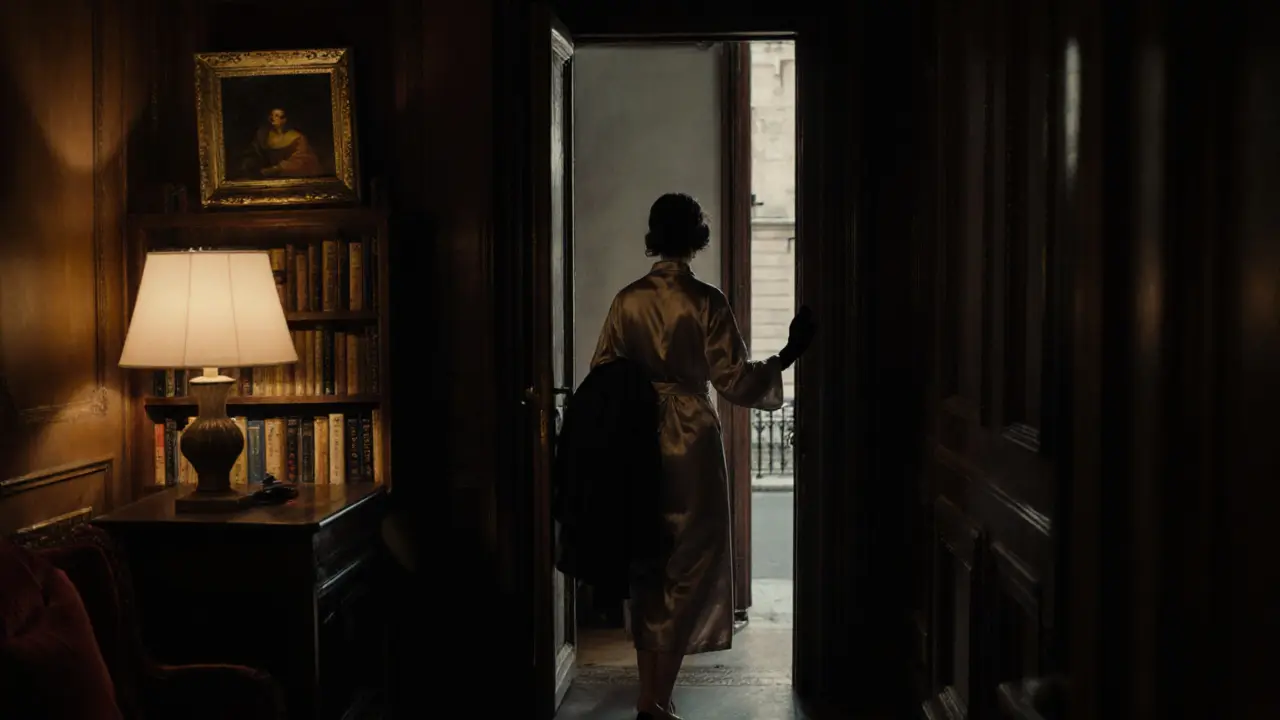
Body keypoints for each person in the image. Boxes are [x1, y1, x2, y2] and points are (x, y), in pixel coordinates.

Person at [590, 193, 817, 720]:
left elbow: (603, 370)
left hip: (636, 438)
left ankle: (650, 697)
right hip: (690, 438)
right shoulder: (706, 301)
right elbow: (735, 381)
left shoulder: (627, 301)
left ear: (653, 234)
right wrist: (787, 355)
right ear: (697, 238)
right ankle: (657, 700)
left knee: (647, 561)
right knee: (691, 564)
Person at [235, 107, 324, 179]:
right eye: (271, 115)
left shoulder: (298, 138)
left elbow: (301, 161)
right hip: (265, 177)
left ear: (284, 120)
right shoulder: (263, 134)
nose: (272, 118)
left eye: (276, 116)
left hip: (288, 177)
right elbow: (253, 152)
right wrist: (251, 165)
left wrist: (276, 169)